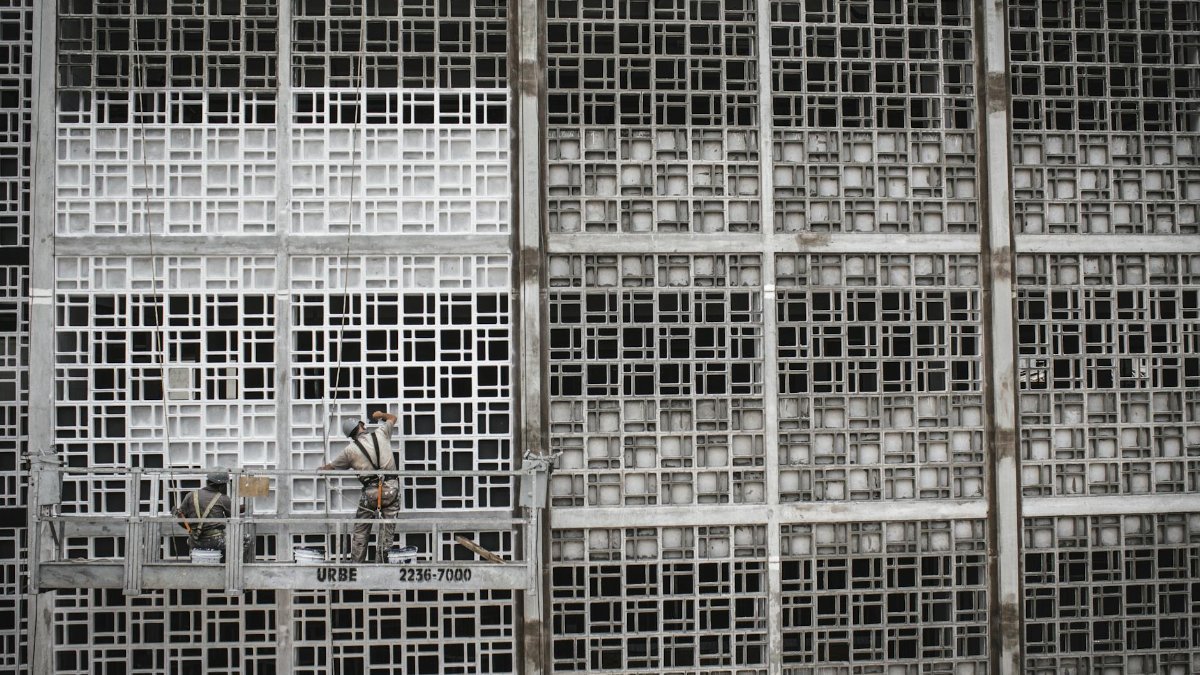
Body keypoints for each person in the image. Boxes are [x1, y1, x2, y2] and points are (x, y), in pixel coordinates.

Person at [321, 410, 401, 562]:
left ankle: (356, 568)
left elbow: (331, 467)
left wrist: (319, 470)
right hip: (391, 488)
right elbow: (393, 418)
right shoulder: (381, 433)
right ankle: (382, 568)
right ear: (361, 426)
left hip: (370, 493)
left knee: (361, 531)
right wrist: (381, 415)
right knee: (387, 533)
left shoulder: (350, 451)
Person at [172, 467, 252, 561]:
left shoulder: (190, 495)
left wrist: (194, 530)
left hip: (194, 540)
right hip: (215, 540)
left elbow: (181, 519)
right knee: (246, 538)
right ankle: (234, 566)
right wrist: (248, 504)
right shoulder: (223, 498)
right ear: (221, 486)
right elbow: (234, 514)